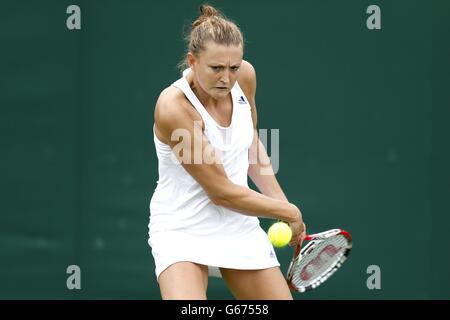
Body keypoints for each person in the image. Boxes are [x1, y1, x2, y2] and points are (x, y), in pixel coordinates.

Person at [148, 4, 306, 300]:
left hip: (238, 225)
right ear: (192, 61)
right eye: (216, 68)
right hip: (182, 228)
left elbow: (250, 145)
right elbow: (220, 191)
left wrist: (280, 203)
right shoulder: (174, 107)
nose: (226, 78)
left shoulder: (245, 77)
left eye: (233, 67)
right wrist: (288, 211)